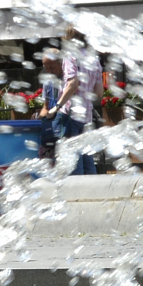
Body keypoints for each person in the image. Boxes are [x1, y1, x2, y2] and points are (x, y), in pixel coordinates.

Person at [37, 25, 100, 176]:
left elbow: (72, 83)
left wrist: (56, 107)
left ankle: (77, 196)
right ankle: (93, 192)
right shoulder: (94, 59)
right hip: (87, 115)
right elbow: (98, 93)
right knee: (86, 156)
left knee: (73, 159)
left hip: (70, 115)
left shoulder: (70, 57)